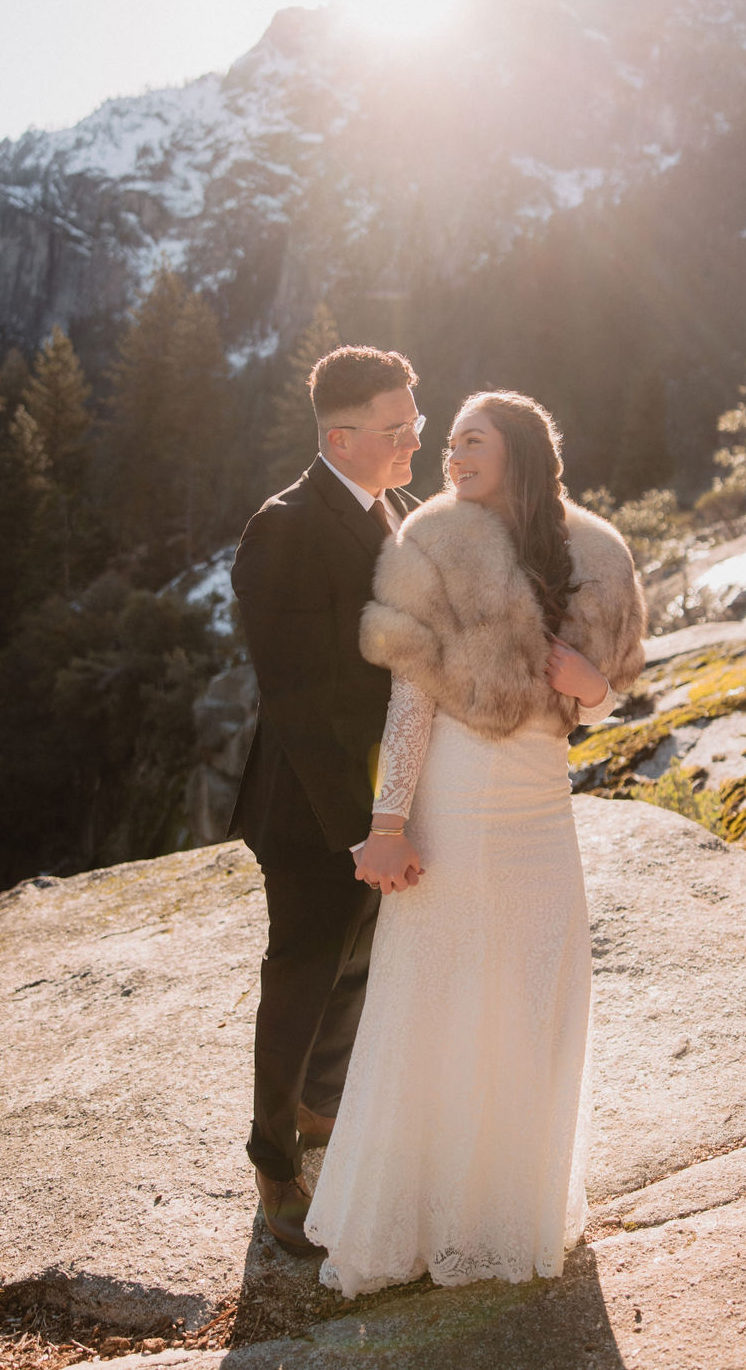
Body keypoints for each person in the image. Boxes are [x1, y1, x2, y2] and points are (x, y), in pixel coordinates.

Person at [304, 389, 647, 1297]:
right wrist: (389, 822)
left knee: (537, 989)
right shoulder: (433, 543)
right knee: (436, 993)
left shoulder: (593, 552)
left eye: (472, 439)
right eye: (447, 439)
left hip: (542, 803)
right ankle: (418, 1221)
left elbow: (599, 698)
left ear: (523, 450)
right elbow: (409, 697)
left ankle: (504, 1213)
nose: (451, 452)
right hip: (456, 796)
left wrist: (595, 688)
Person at [229, 345, 423, 1254]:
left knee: (363, 959)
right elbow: (300, 702)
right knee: (303, 972)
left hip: (389, 794)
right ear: (340, 437)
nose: (415, 439)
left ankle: (318, 1103)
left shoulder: (406, 511)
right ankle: (274, 1158)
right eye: (398, 428)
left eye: (415, 422)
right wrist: (362, 832)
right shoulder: (284, 529)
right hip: (313, 805)